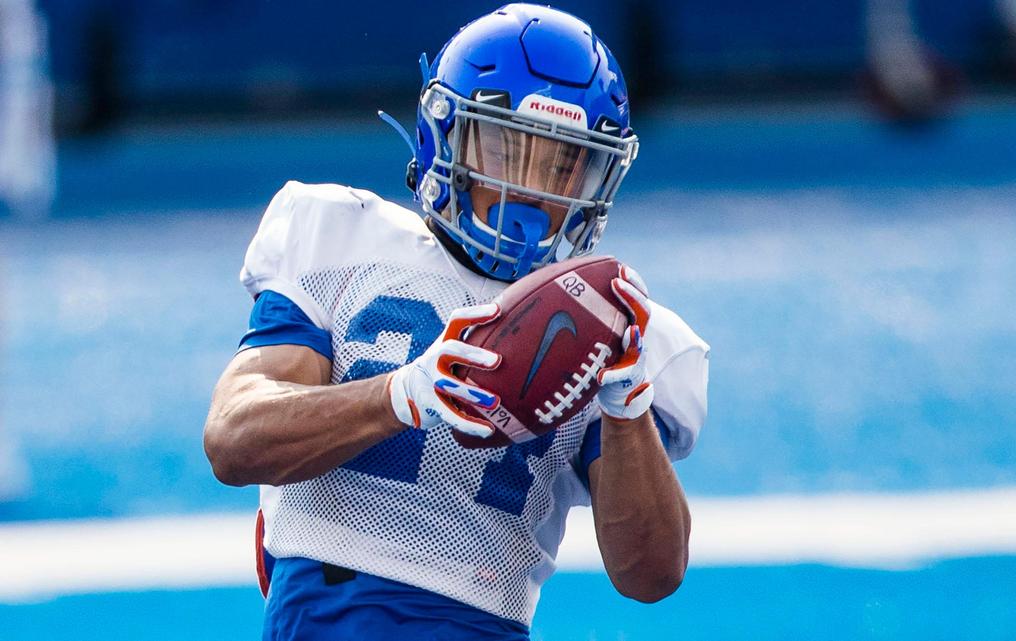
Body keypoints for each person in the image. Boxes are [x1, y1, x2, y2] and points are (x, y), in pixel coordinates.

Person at [203, 4, 709, 639]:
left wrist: (629, 405)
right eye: (507, 149)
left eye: (562, 164)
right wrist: (400, 394)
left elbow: (653, 573)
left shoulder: (598, 321)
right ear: (443, 135)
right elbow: (232, 437)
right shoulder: (342, 240)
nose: (533, 190)